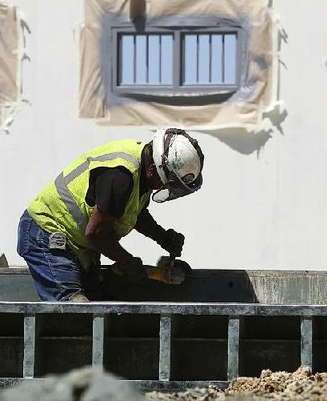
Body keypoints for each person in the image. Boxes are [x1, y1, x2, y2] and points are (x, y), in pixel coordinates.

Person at [16, 128, 204, 302]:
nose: (163, 188)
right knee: (75, 309)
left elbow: (133, 212)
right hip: (46, 234)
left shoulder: (144, 168)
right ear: (153, 170)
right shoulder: (121, 176)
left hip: (76, 246)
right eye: (165, 183)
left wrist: (162, 237)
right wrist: (128, 262)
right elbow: (96, 232)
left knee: (98, 308)